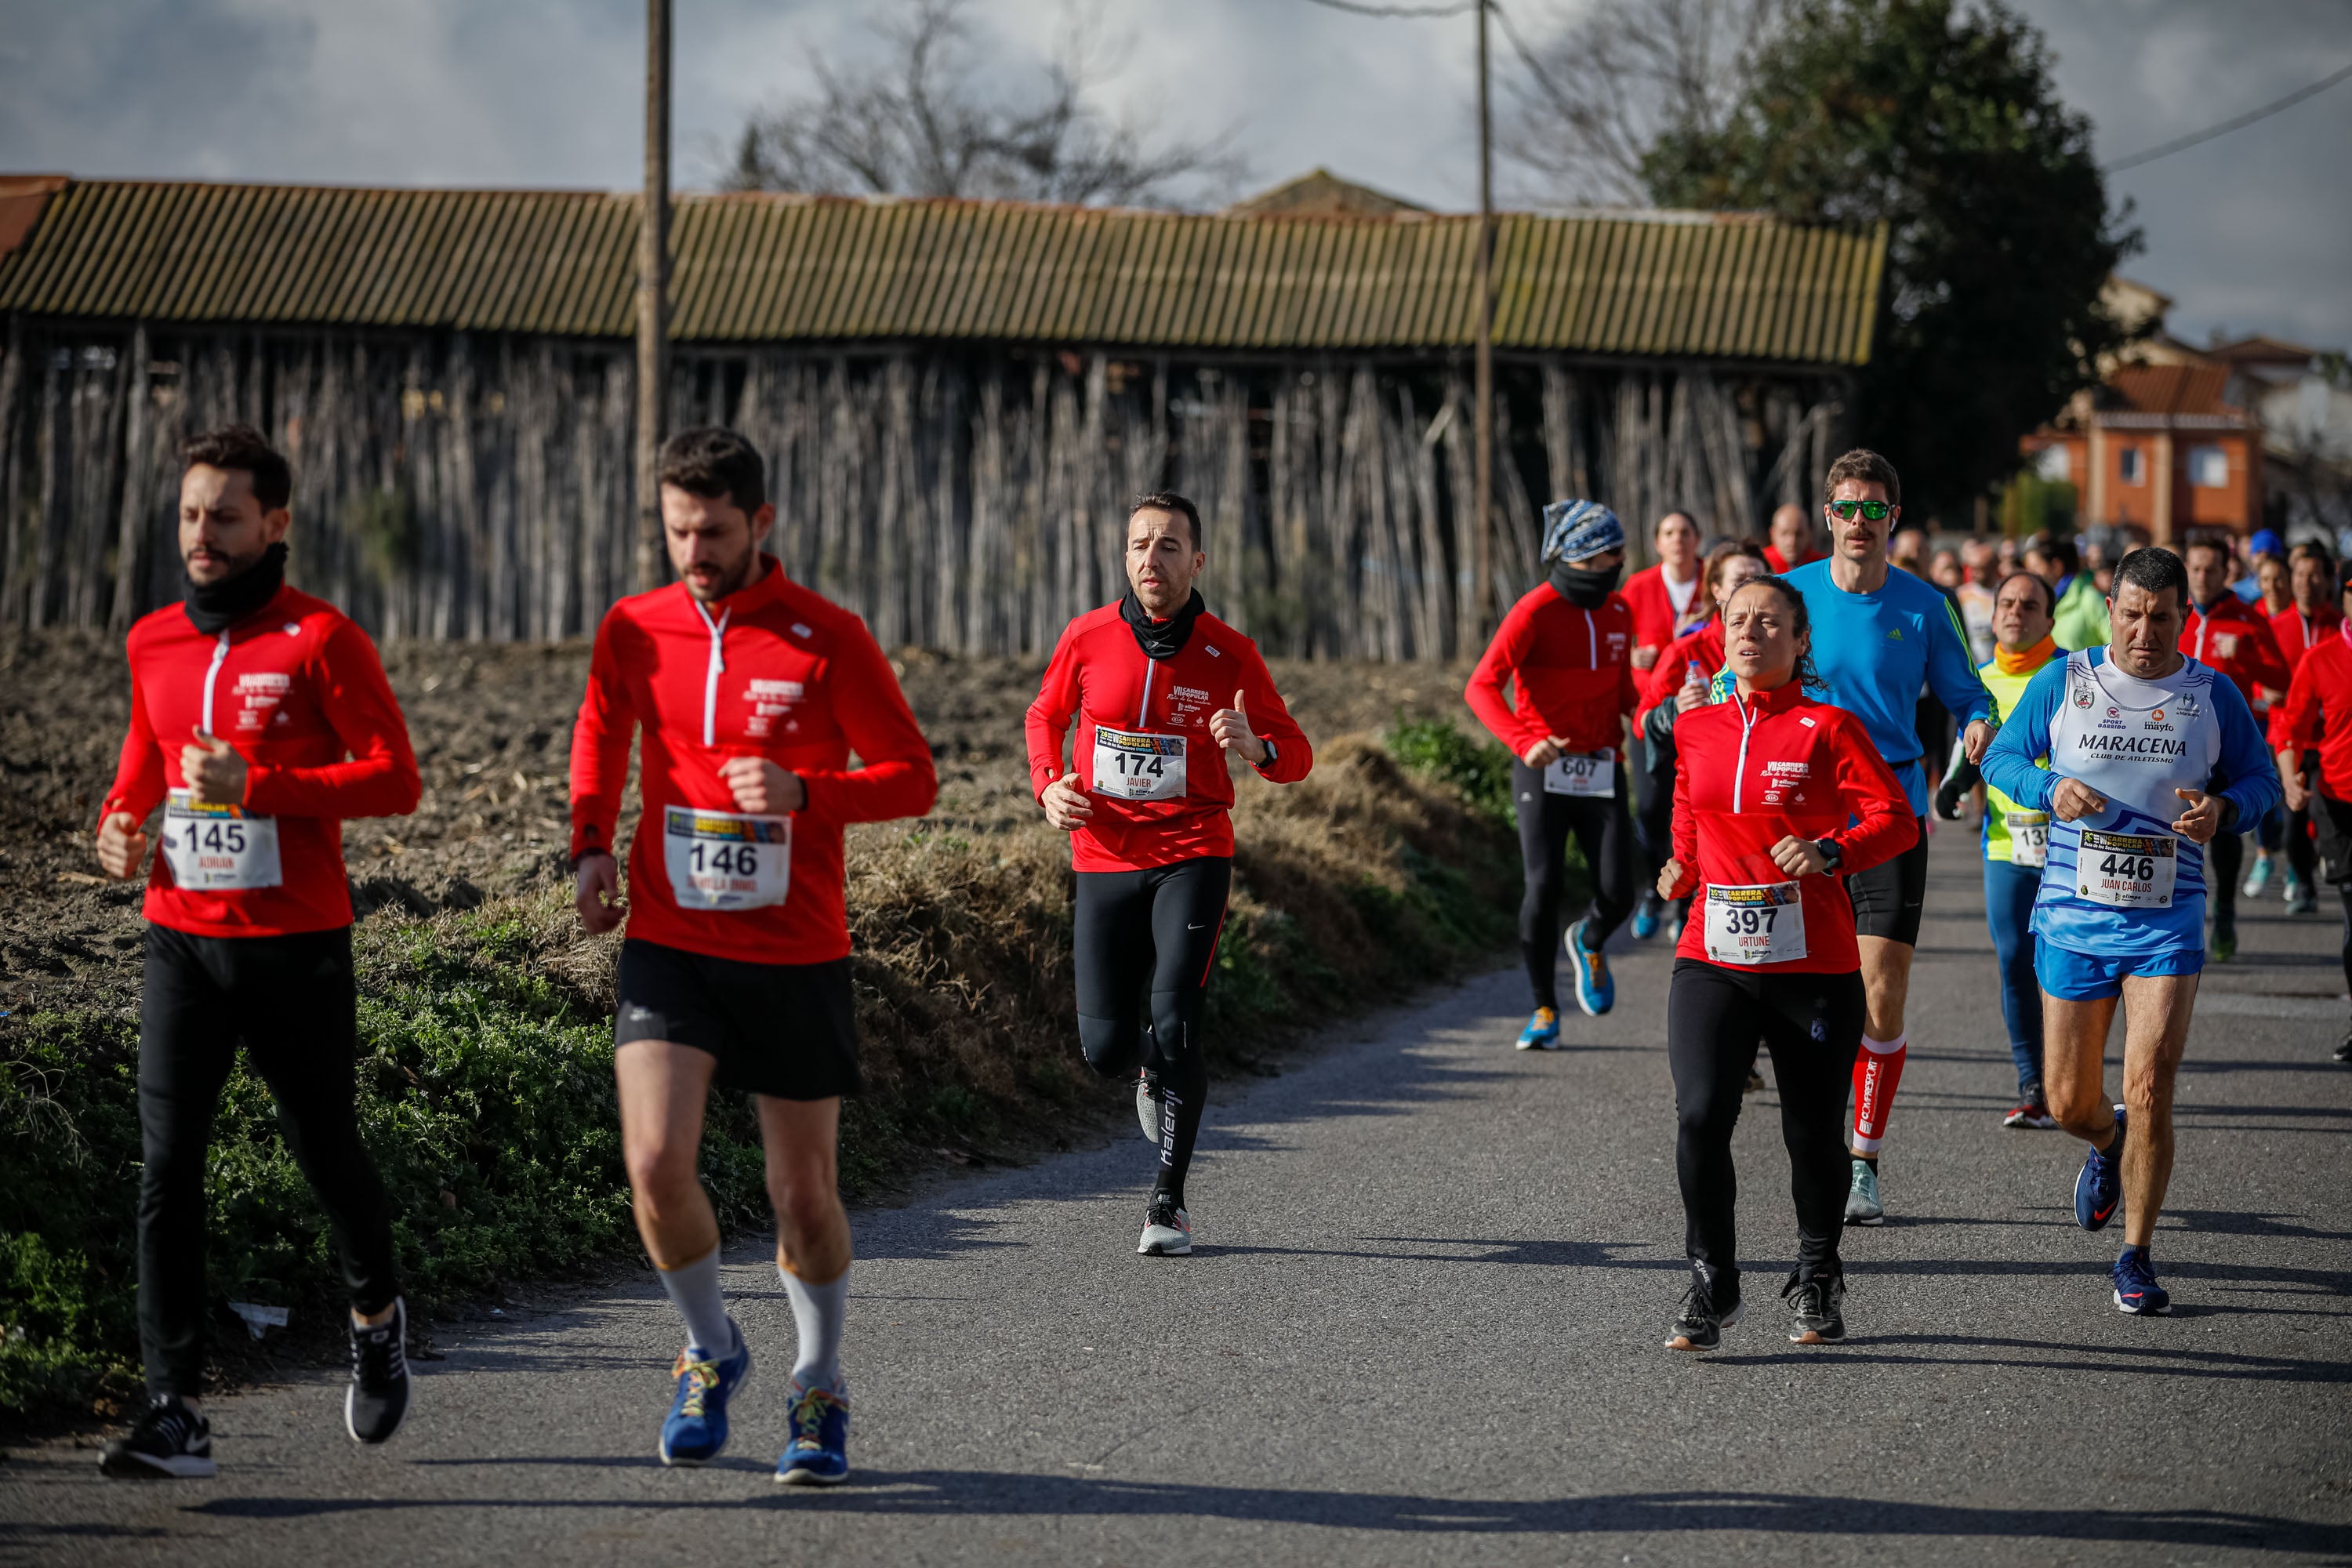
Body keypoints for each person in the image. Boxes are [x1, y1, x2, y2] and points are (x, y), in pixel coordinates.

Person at [569, 426, 938, 1485]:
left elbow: (914, 777)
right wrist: (591, 843)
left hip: (794, 949)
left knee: (804, 1196)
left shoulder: (826, 638)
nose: (693, 547)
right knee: (652, 1163)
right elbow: (601, 730)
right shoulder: (634, 629)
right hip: (673, 941)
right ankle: (710, 1348)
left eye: (714, 530)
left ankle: (818, 1383)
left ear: (760, 523)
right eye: (677, 527)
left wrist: (809, 792)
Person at [93, 425, 423, 1479]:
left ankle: (376, 1316)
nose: (203, 534)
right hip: (179, 941)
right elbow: (142, 770)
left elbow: (393, 779)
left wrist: (264, 787)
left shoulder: (322, 640)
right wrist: (116, 827)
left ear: (275, 525)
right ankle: (174, 1406)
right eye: (191, 514)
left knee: (324, 1147)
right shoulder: (153, 642)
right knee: (166, 1171)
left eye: (226, 516)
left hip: (297, 946)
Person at [1984, 546, 2278, 1314]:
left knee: (2148, 1083)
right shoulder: (2066, 680)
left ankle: (2137, 1254)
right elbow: (2005, 760)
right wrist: (2050, 787)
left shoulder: (2212, 693)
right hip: (2075, 920)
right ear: (2109, 609)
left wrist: (2225, 809)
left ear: (2187, 618)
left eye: (2163, 616)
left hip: (2167, 923)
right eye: (2133, 613)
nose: (2146, 631)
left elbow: (2260, 780)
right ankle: (2106, 1142)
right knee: (2069, 1100)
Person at [1027, 492, 1313, 1254]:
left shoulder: (1230, 653)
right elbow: (1043, 716)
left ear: (1197, 561)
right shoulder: (1087, 636)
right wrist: (1048, 781)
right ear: (1126, 557)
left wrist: (1254, 746)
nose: (1151, 559)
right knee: (1105, 1049)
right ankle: (1148, 1070)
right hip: (1105, 854)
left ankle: (1168, 1201)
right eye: (1139, 545)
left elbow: (1297, 752)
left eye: (1168, 545)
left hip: (1192, 851)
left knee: (1179, 1017)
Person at [1656, 575, 1915, 1351]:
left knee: (1810, 1133)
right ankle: (1712, 1278)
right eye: (1738, 619)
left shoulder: (1827, 726)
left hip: (1813, 963)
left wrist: (1831, 850)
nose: (1750, 631)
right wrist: (1681, 864)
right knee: (1702, 1113)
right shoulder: (1696, 725)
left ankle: (1817, 1269)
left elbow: (1894, 818)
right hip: (1712, 953)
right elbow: (1689, 805)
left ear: (1800, 642)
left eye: (1769, 621)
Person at [1770, 451, 1995, 1226]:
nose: (1860, 522)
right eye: (1848, 507)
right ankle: (1813, 1136)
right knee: (1800, 993)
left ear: (1892, 519)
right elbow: (1744, 673)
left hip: (1890, 813)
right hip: (1803, 816)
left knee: (1881, 994)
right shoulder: (1790, 595)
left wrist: (1975, 725)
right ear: (1828, 514)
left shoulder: (1927, 606)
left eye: (1876, 509)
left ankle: (1863, 1158)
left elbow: (1971, 694)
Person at [1467, 499, 1642, 1041]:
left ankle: (1589, 938)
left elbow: (1622, 691)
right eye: (1609, 554)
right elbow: (1481, 686)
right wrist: (1526, 740)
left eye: (1620, 554)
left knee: (1620, 891)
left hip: (1602, 767)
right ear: (1579, 556)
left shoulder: (1619, 613)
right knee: (1542, 886)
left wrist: (1661, 716)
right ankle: (1545, 1009)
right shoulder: (1533, 611)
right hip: (1542, 770)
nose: (1618, 563)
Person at [1935, 572, 2063, 1127]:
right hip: (2006, 846)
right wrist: (1952, 790)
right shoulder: (1980, 683)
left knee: (2062, 968)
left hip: (2069, 849)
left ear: (2049, 619)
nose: (2015, 613)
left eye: (2029, 605)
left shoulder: (2071, 677)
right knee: (2013, 961)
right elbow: (1967, 754)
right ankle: (2032, 1083)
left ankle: (2070, 1078)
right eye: (2006, 604)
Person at [1637, 540, 1769, 942]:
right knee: (1658, 818)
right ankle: (1657, 896)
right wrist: (1675, 707)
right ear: (1715, 590)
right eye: (1739, 580)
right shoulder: (1687, 648)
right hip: (1693, 778)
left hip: (1756, 782)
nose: (1750, 588)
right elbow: (1643, 721)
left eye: (1760, 579)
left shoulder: (1785, 649)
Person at [2180, 532, 2292, 961]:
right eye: (2196, 568)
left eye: (2212, 568)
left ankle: (2225, 907)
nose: (2203, 577)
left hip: (2227, 744)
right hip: (2174, 741)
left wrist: (2244, 655)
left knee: (2222, 827)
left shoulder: (2247, 619)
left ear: (2228, 570)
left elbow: (2282, 680)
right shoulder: (2175, 614)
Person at [2270, 570, 2352, 1062]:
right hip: (2340, 800)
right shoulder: (2321, 660)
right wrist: (2289, 775)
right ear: (2343, 600)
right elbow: (2290, 726)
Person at [1621, 509, 1710, 938]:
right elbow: (1618, 643)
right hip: (1652, 716)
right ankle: (1653, 892)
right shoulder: (1638, 587)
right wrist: (1630, 657)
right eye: (1670, 533)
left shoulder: (1713, 583)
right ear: (1658, 543)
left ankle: (1686, 902)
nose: (1679, 540)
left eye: (1686, 532)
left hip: (1703, 716)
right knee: (1653, 807)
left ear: (1698, 539)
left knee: (1693, 810)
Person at [2258, 542, 2342, 914]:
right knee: (2292, 820)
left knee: (2328, 816)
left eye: (2314, 575)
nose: (2307, 583)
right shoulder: (2276, 627)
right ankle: (2304, 884)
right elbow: (2254, 677)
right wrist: (2264, 690)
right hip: (2288, 739)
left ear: (2327, 580)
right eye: (2300, 575)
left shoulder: (2340, 625)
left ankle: (2331, 863)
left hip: (2332, 741)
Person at [2030, 537, 2108, 652]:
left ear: (2056, 567)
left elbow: (2116, 646)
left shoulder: (2090, 599)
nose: (2030, 574)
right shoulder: (2040, 604)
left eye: (2036, 567)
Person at [1764, 502, 1825, 575]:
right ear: (1773, 534)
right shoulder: (1760, 563)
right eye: (1784, 533)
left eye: (1799, 534)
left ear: (1809, 534)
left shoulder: (1822, 566)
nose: (1792, 542)